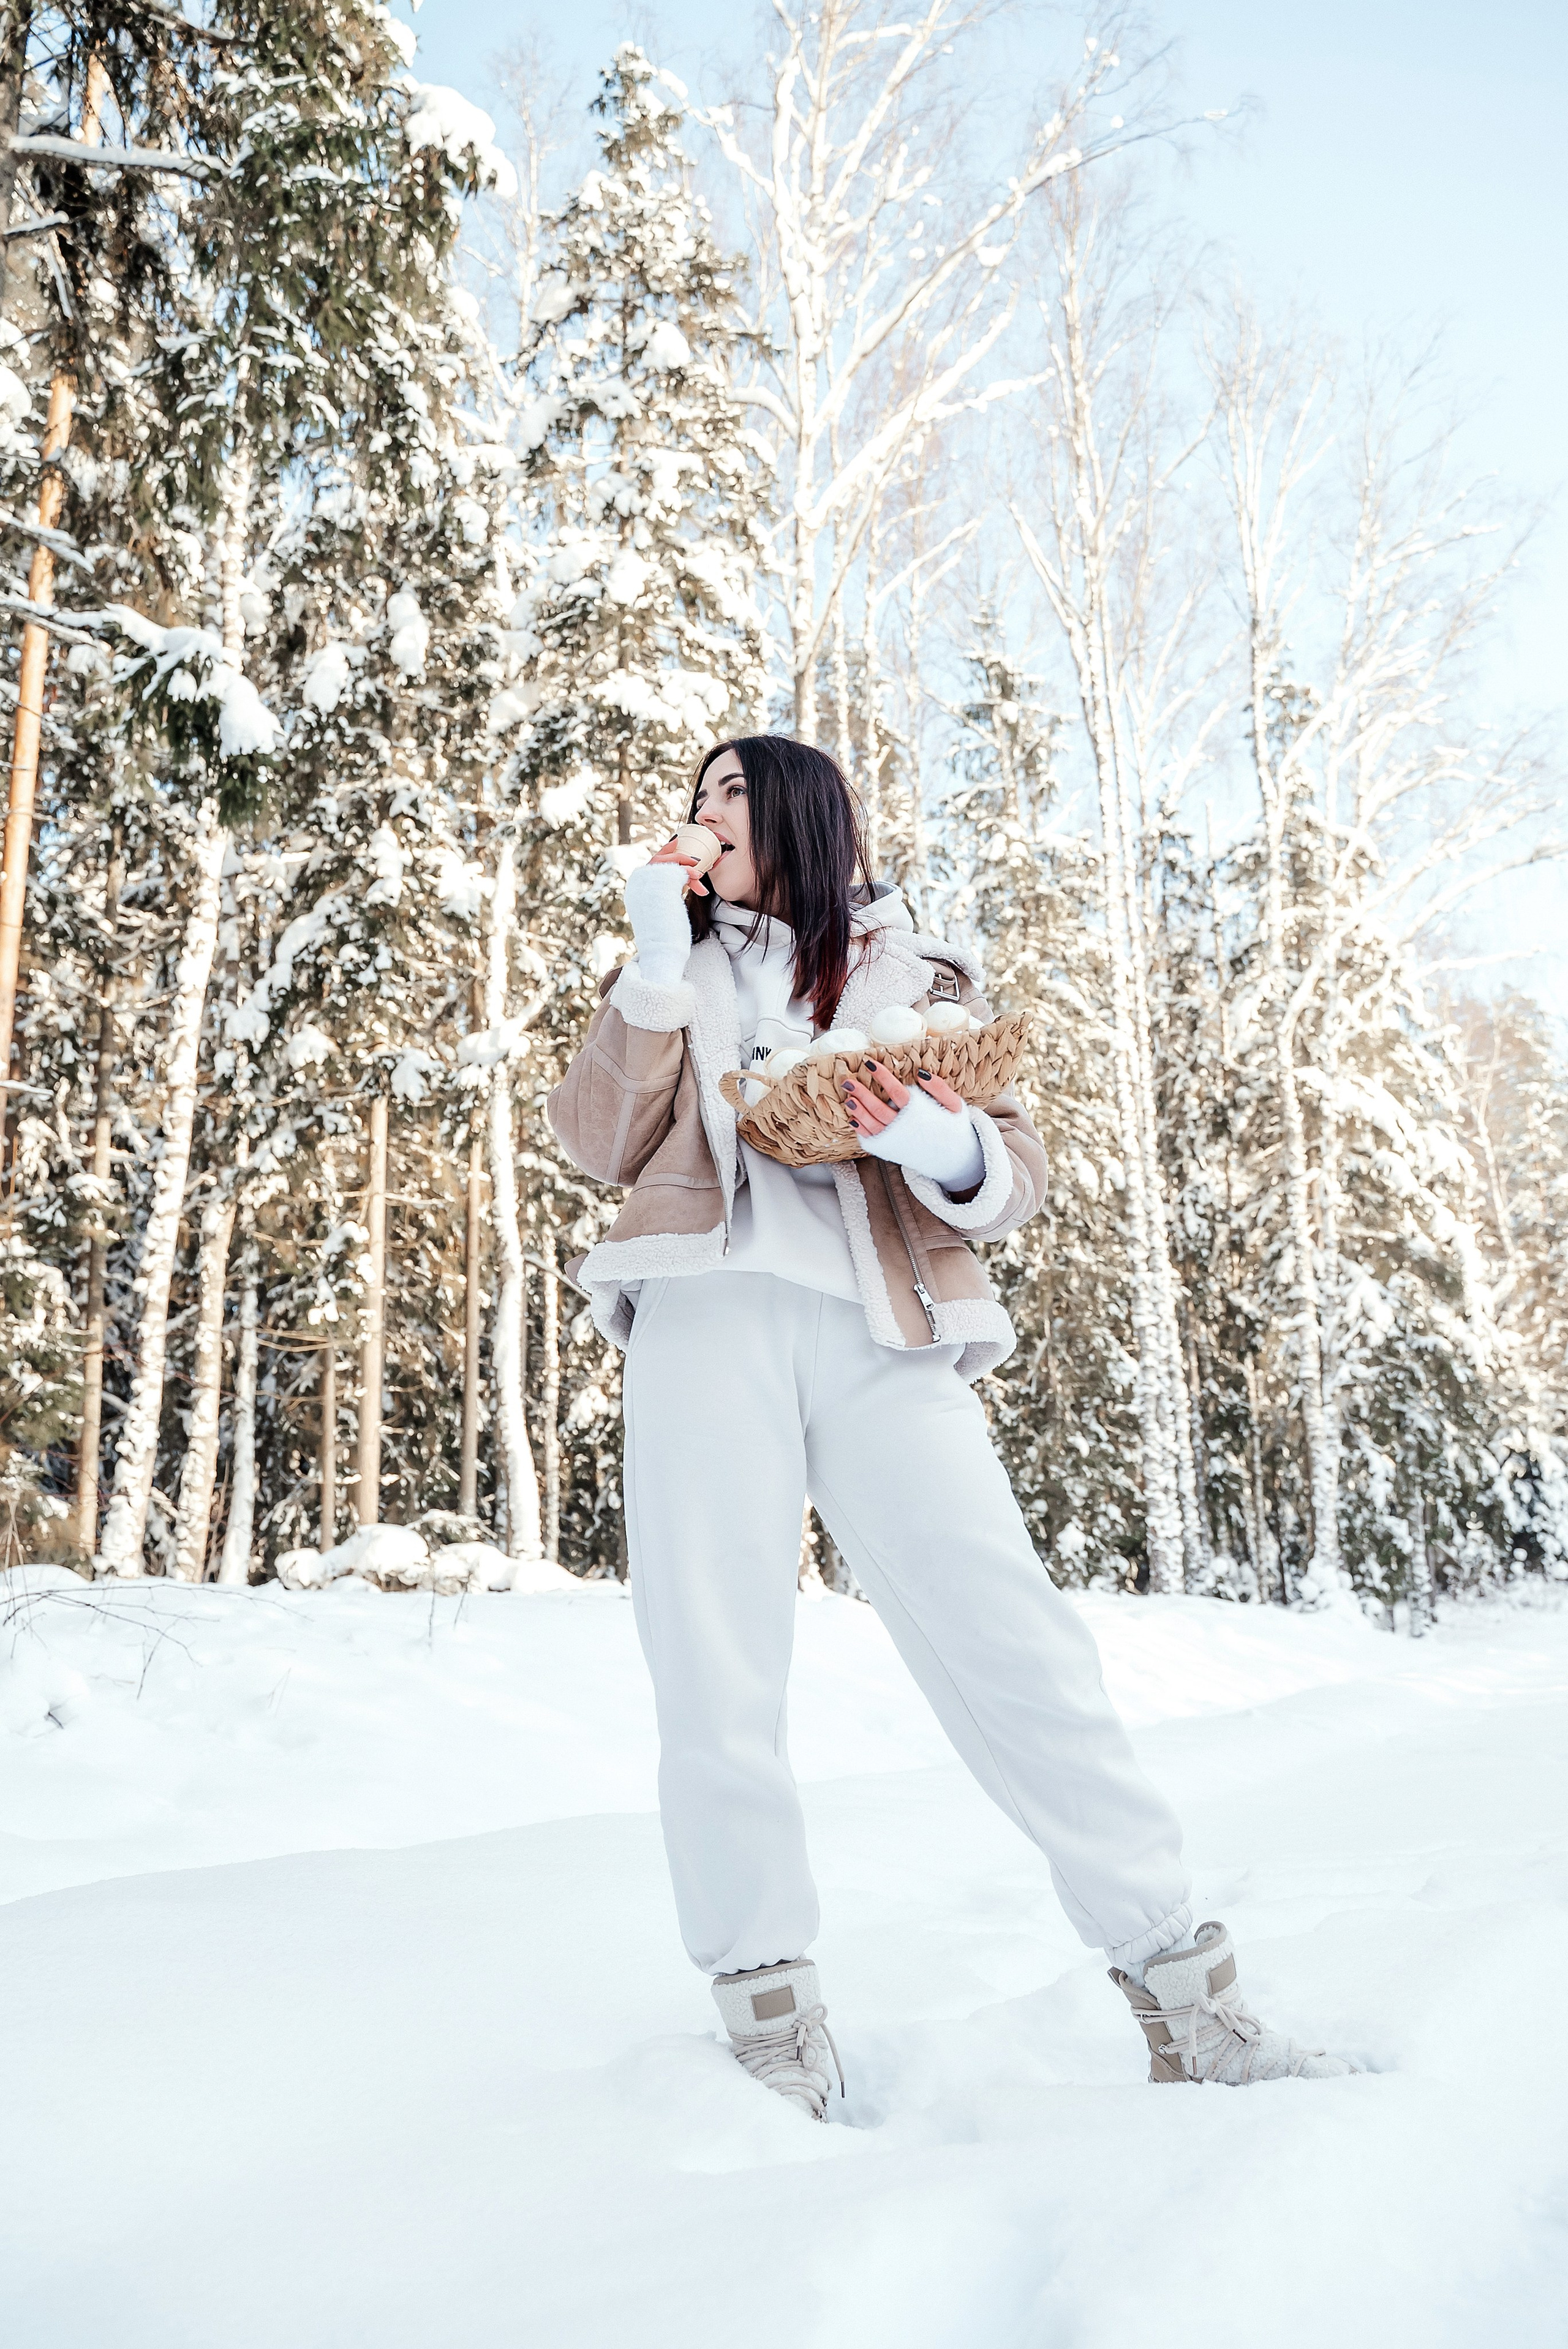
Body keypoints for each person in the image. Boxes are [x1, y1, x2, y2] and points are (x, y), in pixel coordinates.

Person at [548, 735, 1354, 2116]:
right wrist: (648, 961)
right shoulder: (669, 962)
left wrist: (938, 1143)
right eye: (692, 801)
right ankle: (769, 2031)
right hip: (706, 1319)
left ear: (805, 812)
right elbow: (593, 1143)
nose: (701, 817)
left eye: (728, 794)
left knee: (1015, 1647)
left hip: (884, 1330)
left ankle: (1186, 1998)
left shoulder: (922, 976)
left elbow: (1014, 1167)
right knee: (715, 1673)